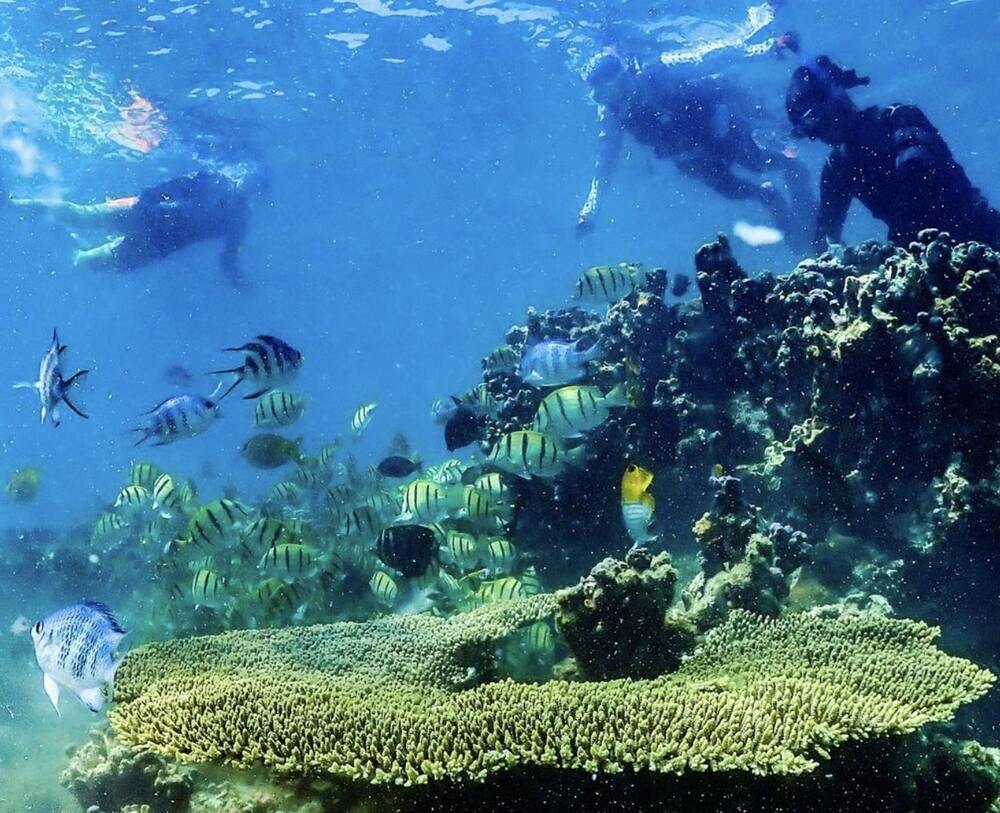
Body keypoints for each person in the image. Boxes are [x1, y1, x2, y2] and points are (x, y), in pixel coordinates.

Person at [577, 45, 815, 252]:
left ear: (624, 75)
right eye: (601, 95)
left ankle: (795, 169)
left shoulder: (658, 71)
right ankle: (769, 197)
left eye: (612, 89)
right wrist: (590, 212)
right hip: (689, 157)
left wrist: (766, 48)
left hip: (719, 129)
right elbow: (605, 161)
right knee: (730, 190)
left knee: (758, 162)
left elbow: (711, 57)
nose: (610, 98)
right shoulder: (612, 113)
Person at [786, 53, 1000, 250]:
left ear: (836, 98)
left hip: (981, 237)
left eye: (813, 119)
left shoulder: (899, 119)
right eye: (805, 130)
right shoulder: (837, 167)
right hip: (920, 256)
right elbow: (825, 238)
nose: (815, 135)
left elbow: (921, 179)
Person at [11, 164, 259, 287]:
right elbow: (174, 185)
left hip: (155, 239)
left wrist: (237, 280)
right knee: (81, 216)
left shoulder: (238, 217)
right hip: (145, 218)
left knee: (87, 260)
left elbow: (229, 256)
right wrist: (144, 201)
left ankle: (67, 242)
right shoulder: (217, 184)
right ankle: (18, 204)